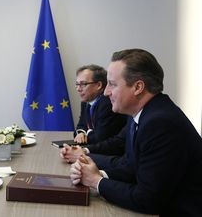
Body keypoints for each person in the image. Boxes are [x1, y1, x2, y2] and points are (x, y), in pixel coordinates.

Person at [69, 49, 202, 216]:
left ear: (138, 87)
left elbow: (148, 200)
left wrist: (96, 181)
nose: (106, 92)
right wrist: (92, 170)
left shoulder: (161, 123)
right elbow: (129, 165)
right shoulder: (142, 113)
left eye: (113, 84)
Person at [73, 64, 126, 144]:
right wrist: (81, 133)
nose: (78, 89)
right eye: (77, 84)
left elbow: (100, 137)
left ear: (99, 85)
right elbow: (81, 126)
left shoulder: (107, 103)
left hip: (110, 152)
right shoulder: (85, 102)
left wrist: (86, 134)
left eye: (83, 84)